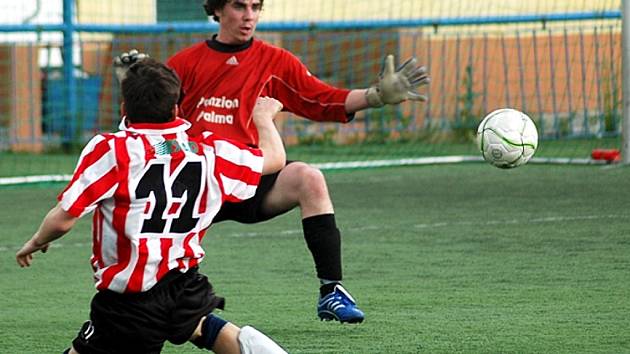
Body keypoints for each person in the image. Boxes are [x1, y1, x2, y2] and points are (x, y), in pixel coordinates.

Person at [115, 0, 429, 324]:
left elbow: (321, 98)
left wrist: (376, 95)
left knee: (309, 178)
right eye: (239, 6)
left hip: (253, 175)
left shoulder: (275, 61)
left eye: (255, 6)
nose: (249, 15)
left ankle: (331, 290)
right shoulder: (187, 63)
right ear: (218, 10)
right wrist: (134, 85)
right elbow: (150, 117)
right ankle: (140, 301)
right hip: (200, 180)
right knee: (161, 267)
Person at [16, 58, 288, 354]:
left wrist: (37, 240)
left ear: (123, 110)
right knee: (200, 325)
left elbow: (63, 219)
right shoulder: (208, 150)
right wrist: (263, 118)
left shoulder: (112, 150)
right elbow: (274, 159)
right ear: (175, 109)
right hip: (183, 283)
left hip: (131, 300)